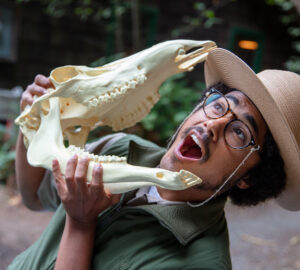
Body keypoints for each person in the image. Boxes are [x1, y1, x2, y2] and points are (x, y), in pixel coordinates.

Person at [9, 48, 300, 270]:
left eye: (239, 132)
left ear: (251, 177)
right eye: (218, 104)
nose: (212, 125)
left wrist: (81, 224)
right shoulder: (121, 147)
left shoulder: (200, 263)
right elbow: (35, 195)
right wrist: (35, 124)